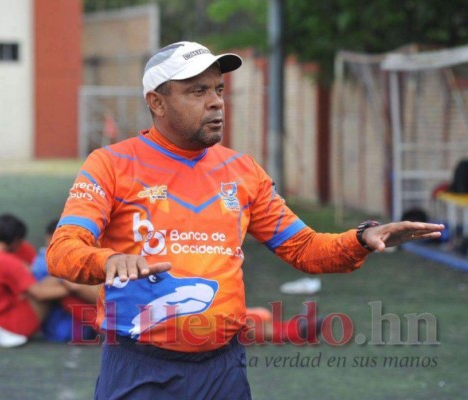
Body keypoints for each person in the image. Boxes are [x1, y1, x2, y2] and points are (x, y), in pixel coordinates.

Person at [46, 41, 444, 399]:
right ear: (157, 102)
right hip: (139, 365)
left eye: (218, 89)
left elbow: (305, 249)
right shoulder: (111, 164)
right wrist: (108, 262)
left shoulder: (242, 171)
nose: (216, 102)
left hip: (224, 369)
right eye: (197, 91)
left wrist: (361, 238)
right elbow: (63, 251)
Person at [0, 214, 83, 347]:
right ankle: (98, 320)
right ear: (16, 241)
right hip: (9, 326)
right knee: (60, 284)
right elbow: (39, 294)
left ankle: (94, 320)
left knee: (56, 282)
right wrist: (73, 288)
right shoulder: (8, 261)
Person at [31, 218, 99, 342]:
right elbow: (39, 293)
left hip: (71, 327)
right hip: (60, 328)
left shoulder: (72, 261)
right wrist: (72, 286)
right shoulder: (44, 263)